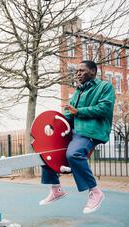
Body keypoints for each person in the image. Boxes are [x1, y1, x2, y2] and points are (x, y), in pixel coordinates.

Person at [39, 60, 115, 214]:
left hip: (91, 131)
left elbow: (105, 108)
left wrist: (78, 112)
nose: (78, 74)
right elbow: (69, 115)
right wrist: (53, 125)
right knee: (46, 152)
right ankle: (56, 189)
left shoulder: (104, 87)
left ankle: (95, 191)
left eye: (81, 70)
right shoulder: (78, 92)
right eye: (76, 72)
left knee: (74, 154)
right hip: (74, 131)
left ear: (93, 71)